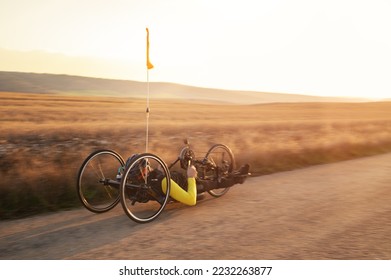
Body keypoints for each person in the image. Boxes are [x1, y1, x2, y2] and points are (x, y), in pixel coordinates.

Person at [123, 154, 250, 206]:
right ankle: (239, 178)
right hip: (190, 185)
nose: (149, 168)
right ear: (143, 173)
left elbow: (155, 183)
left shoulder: (144, 185)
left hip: (176, 179)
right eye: (147, 168)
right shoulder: (163, 183)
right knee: (216, 182)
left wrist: (159, 171)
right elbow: (191, 200)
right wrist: (191, 177)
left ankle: (233, 172)